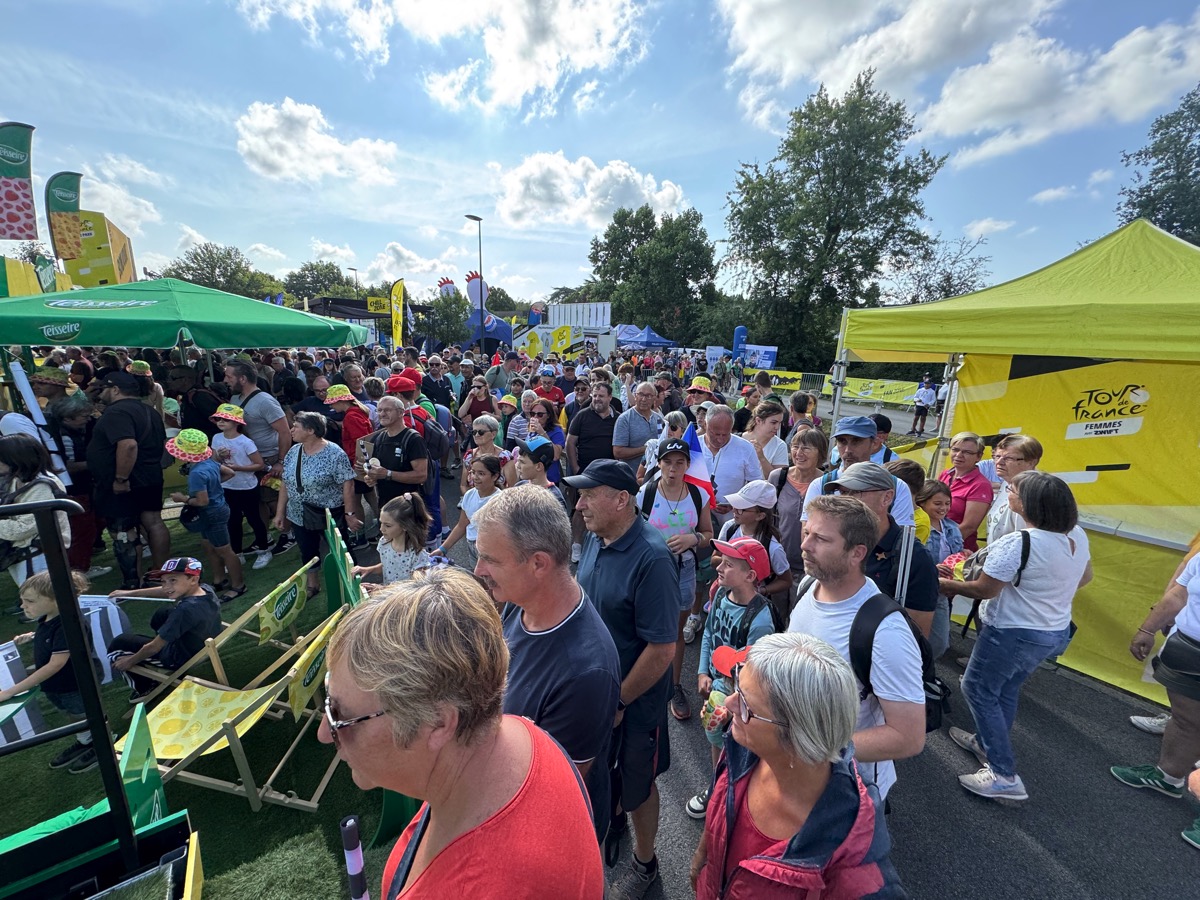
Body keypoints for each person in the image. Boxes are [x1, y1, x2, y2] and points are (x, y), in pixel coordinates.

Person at [319, 568, 605, 899]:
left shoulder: (473, 888)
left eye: (340, 715)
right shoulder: (520, 735)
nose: (325, 732)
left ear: (438, 723)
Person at [689, 634, 907, 899]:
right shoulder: (744, 745)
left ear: (798, 737)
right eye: (737, 684)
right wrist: (702, 854)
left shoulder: (858, 880)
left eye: (745, 703)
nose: (729, 703)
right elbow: (722, 802)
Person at [472, 485, 622, 842]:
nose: (478, 570)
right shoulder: (522, 602)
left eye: (491, 559)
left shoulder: (585, 673)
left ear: (538, 563)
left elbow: (552, 792)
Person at [939, 471, 1091, 801]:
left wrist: (945, 584)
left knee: (977, 689)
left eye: (1012, 490)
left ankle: (1003, 773)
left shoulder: (1020, 542)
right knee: (1005, 688)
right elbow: (1085, 577)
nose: (1007, 493)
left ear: (1028, 503)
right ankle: (985, 743)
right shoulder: (1076, 535)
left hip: (1012, 630)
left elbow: (985, 589)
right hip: (1052, 630)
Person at [565, 459, 678, 897]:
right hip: (598, 696)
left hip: (634, 702)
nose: (579, 506)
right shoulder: (598, 538)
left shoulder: (653, 557)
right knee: (602, 773)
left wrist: (619, 701)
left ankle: (645, 863)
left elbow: (662, 650)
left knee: (638, 785)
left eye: (588, 496)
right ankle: (614, 822)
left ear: (621, 499)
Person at [788, 495, 926, 801]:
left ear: (857, 553)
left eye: (821, 539)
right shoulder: (809, 585)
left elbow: (908, 737)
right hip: (798, 770)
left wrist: (816, 750)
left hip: (848, 789)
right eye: (807, 533)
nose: (805, 545)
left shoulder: (885, 631)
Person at [1112, 542, 1200, 850]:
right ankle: (1168, 777)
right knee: (1185, 719)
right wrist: (1148, 629)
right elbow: (1179, 593)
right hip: (1188, 649)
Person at [689, 536, 776, 820]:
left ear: (750, 576)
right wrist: (703, 670)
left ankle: (735, 799)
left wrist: (733, 704)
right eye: (721, 562)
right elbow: (709, 634)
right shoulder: (720, 595)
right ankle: (717, 786)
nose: (719, 567)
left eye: (728, 564)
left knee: (740, 747)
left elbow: (756, 675)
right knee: (715, 737)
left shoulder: (760, 621)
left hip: (740, 699)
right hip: (718, 687)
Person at [636, 437, 714, 722]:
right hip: (651, 571)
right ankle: (642, 683)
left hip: (684, 569)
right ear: (658, 463)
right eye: (667, 462)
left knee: (676, 630)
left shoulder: (697, 495)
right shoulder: (645, 493)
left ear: (687, 465)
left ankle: (674, 685)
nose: (673, 468)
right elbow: (633, 531)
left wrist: (692, 539)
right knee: (644, 626)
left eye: (679, 463)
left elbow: (708, 534)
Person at [822, 463, 939, 643]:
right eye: (843, 493)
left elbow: (915, 637)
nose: (846, 501)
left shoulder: (913, 557)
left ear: (887, 497)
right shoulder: (835, 543)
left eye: (855, 492)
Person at [0, 570, 102, 773]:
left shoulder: (69, 624)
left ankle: (102, 743)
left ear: (57, 600)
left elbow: (56, 664)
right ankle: (86, 740)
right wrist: (33, 636)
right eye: (22, 600)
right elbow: (50, 636)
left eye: (29, 601)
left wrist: (11, 691)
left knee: (85, 714)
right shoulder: (48, 617)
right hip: (57, 685)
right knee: (72, 714)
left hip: (74, 684)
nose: (22, 606)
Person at [87, 371, 170, 588]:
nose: (99, 394)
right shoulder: (149, 410)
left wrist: (121, 479)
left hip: (127, 481)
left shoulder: (116, 412)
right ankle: (160, 572)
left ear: (115, 389)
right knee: (154, 522)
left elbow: (128, 445)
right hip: (150, 474)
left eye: (103, 389)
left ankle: (133, 581)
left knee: (123, 531)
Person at [274, 412, 364, 597]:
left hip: (328, 514)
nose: (291, 430)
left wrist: (349, 515)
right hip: (298, 514)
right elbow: (286, 482)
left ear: (311, 430)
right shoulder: (294, 451)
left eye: (296, 426)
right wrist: (280, 512)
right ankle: (313, 585)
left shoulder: (334, 453)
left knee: (342, 550)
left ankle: (357, 584)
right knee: (307, 549)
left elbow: (348, 484)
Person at [106, 557, 223, 700]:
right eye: (163, 581)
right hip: (204, 640)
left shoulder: (184, 611)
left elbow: (153, 647)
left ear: (193, 579)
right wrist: (128, 593)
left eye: (173, 580)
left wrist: (130, 661)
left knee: (118, 644)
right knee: (162, 613)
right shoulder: (205, 589)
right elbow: (166, 592)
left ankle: (145, 687)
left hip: (180, 657)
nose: (166, 587)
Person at [166, 429, 246, 603]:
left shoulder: (197, 473)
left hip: (211, 513)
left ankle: (238, 585)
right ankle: (219, 579)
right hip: (217, 509)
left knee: (225, 551)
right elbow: (230, 473)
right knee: (209, 546)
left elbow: (202, 501)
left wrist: (183, 498)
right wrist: (213, 485)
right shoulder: (209, 462)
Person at [224, 360, 293, 555]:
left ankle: (288, 534)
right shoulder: (235, 399)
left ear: (242, 378)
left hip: (269, 458)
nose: (225, 380)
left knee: (273, 499)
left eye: (229, 376)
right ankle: (264, 537)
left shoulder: (265, 401)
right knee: (256, 502)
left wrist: (280, 461)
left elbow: (285, 432)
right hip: (248, 459)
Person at [802, 417, 916, 528]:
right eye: (842, 441)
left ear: (874, 443)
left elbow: (902, 537)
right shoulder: (821, 485)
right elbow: (807, 535)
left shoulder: (898, 487)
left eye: (856, 441)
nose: (848, 450)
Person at [767, 427, 829, 608]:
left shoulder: (827, 484)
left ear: (821, 453)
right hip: (778, 565)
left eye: (806, 448)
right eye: (795, 446)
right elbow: (766, 519)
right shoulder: (778, 478)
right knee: (775, 615)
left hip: (810, 567)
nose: (799, 452)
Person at [210, 404, 272, 571]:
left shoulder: (246, 442)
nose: (220, 422)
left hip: (247, 487)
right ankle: (237, 554)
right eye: (218, 418)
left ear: (236, 423)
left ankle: (264, 550)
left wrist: (237, 468)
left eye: (225, 419)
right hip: (227, 486)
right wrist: (219, 457)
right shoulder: (216, 438)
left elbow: (259, 464)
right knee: (233, 520)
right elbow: (214, 461)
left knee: (254, 519)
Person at [565, 380, 618, 562]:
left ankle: (605, 544)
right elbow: (570, 443)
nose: (596, 399)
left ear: (610, 397)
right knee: (581, 509)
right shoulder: (582, 416)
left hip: (609, 474)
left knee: (606, 509)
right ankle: (577, 544)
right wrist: (575, 468)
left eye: (601, 396)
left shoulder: (618, 418)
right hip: (585, 473)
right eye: (594, 396)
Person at [351, 493, 431, 592]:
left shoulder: (418, 555)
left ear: (405, 526)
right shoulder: (384, 542)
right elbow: (388, 565)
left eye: (388, 525)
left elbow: (415, 589)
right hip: (387, 595)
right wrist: (369, 570)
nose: (381, 529)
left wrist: (383, 588)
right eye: (381, 523)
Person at [700, 405, 761, 531]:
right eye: (716, 434)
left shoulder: (745, 448)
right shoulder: (692, 446)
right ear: (705, 425)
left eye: (725, 434)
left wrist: (736, 504)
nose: (720, 439)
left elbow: (756, 485)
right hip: (696, 516)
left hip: (732, 522)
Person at [435, 455, 501, 568]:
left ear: (495, 476)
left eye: (481, 473)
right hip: (471, 546)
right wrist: (443, 549)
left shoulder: (500, 501)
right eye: (473, 472)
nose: (475, 477)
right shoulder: (469, 495)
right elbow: (462, 525)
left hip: (490, 551)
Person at [362, 395, 429, 506]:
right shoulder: (378, 438)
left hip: (408, 505)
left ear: (401, 412)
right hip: (385, 504)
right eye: (379, 410)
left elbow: (421, 475)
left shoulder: (414, 439)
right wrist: (371, 477)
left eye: (387, 410)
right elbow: (377, 469)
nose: (382, 414)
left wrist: (388, 474)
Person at [938, 431, 993, 552]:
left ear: (978, 456)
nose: (959, 455)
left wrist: (942, 546)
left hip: (957, 550)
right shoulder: (945, 474)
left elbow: (969, 527)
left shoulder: (981, 485)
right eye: (955, 449)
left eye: (967, 452)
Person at [986, 434, 1042, 542]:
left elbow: (1027, 540)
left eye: (1008, 458)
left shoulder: (1032, 493)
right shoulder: (1008, 483)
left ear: (1031, 462)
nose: (999, 462)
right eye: (997, 456)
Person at [613, 382, 666, 466]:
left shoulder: (658, 419)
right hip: (631, 472)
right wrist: (646, 449)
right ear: (635, 396)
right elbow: (618, 452)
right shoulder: (625, 419)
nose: (643, 399)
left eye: (648, 396)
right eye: (640, 394)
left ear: (654, 398)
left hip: (654, 472)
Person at [513, 436, 569, 515]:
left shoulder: (554, 499)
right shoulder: (519, 486)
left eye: (522, 462)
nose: (517, 466)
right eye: (518, 460)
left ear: (539, 466)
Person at [460, 413, 516, 490]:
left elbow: (513, 488)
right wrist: (470, 496)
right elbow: (463, 485)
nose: (476, 435)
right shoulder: (469, 455)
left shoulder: (505, 457)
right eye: (474, 432)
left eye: (481, 432)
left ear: (493, 434)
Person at [742, 399, 789, 479]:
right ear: (758, 420)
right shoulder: (740, 439)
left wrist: (762, 458)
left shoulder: (780, 446)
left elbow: (778, 480)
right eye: (773, 422)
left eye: (779, 423)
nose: (777, 427)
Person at [523, 396, 566, 483]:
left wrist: (542, 432)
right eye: (532, 414)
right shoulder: (531, 428)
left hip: (548, 478)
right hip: (531, 477)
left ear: (548, 415)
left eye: (540, 414)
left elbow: (556, 455)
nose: (535, 417)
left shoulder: (556, 431)